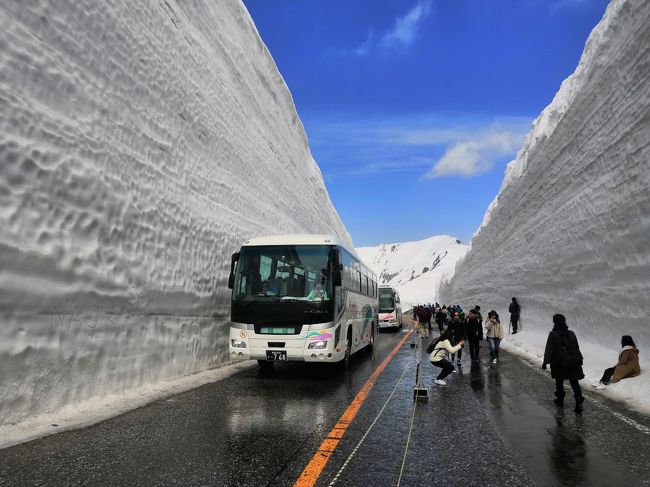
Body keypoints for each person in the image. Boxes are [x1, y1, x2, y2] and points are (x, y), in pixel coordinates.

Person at [542, 314, 585, 413]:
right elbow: (576, 348)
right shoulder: (572, 333)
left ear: (554, 322)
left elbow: (549, 349)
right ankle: (579, 401)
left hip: (559, 362)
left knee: (559, 380)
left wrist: (545, 362)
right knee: (574, 382)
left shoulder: (553, 334)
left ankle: (560, 399)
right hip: (573, 362)